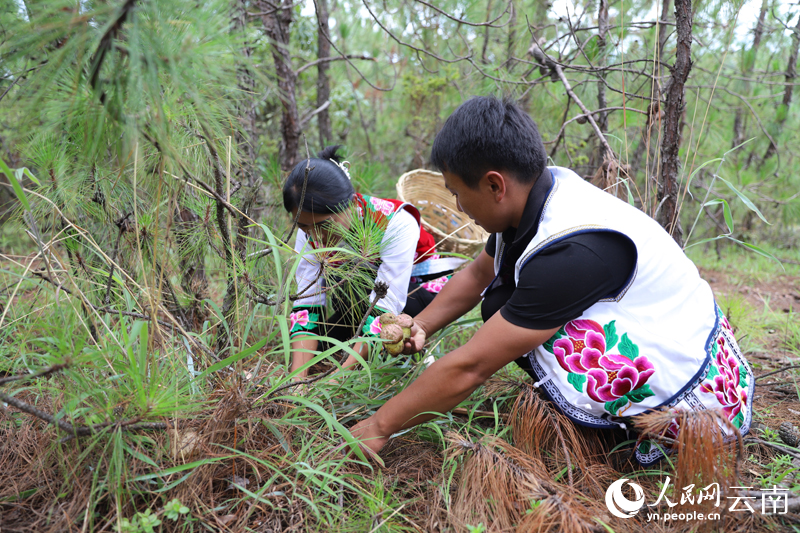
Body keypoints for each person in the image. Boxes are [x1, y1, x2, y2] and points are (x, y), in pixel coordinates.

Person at [351, 96, 753, 465]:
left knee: (529, 322)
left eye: (457, 193)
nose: (457, 206)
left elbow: (472, 366)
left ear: (495, 185)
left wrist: (378, 427)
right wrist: (418, 324)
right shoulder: (536, 195)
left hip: (701, 408)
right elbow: (477, 274)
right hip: (682, 345)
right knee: (504, 298)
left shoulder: (570, 250)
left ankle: (630, 437)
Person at [283, 146, 461, 378]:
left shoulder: (396, 222)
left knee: (365, 343)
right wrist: (297, 380)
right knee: (321, 352)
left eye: (324, 225)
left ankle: (380, 355)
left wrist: (338, 381)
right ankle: (356, 335)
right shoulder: (308, 228)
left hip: (417, 291)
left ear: (349, 203)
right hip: (363, 294)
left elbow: (386, 307)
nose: (316, 237)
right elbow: (308, 303)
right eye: (305, 227)